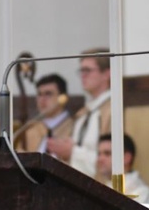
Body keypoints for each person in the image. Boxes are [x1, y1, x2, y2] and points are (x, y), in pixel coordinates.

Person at [46, 48, 111, 176]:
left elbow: (111, 159)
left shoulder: (113, 110)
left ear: (107, 74)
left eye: (87, 70)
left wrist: (72, 152)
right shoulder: (83, 113)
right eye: (81, 71)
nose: (83, 75)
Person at [95, 133, 149, 204]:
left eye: (107, 153)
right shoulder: (101, 191)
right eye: (99, 154)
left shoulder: (144, 195)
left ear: (126, 158)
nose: (100, 159)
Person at [18, 73, 74, 154]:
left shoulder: (75, 128)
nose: (42, 99)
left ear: (63, 98)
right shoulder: (29, 130)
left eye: (48, 94)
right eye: (39, 94)